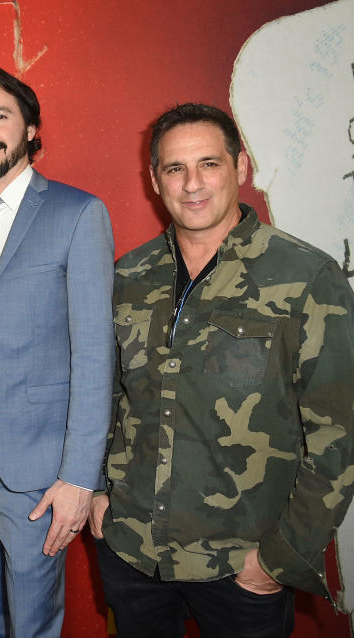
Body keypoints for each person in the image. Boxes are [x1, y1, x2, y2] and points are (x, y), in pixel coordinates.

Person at [90, 103, 354, 638]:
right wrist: (98, 492)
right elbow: (107, 395)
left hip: (240, 563)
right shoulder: (128, 276)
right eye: (174, 168)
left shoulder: (306, 278)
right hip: (133, 549)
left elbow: (339, 435)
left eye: (209, 164)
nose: (192, 184)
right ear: (154, 178)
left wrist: (281, 557)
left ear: (242, 168)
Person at [0, 63, 115, 637]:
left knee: (34, 623)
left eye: (0, 116)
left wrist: (78, 478)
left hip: (38, 471)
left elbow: (95, 358)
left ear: (31, 128)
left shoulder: (77, 214)